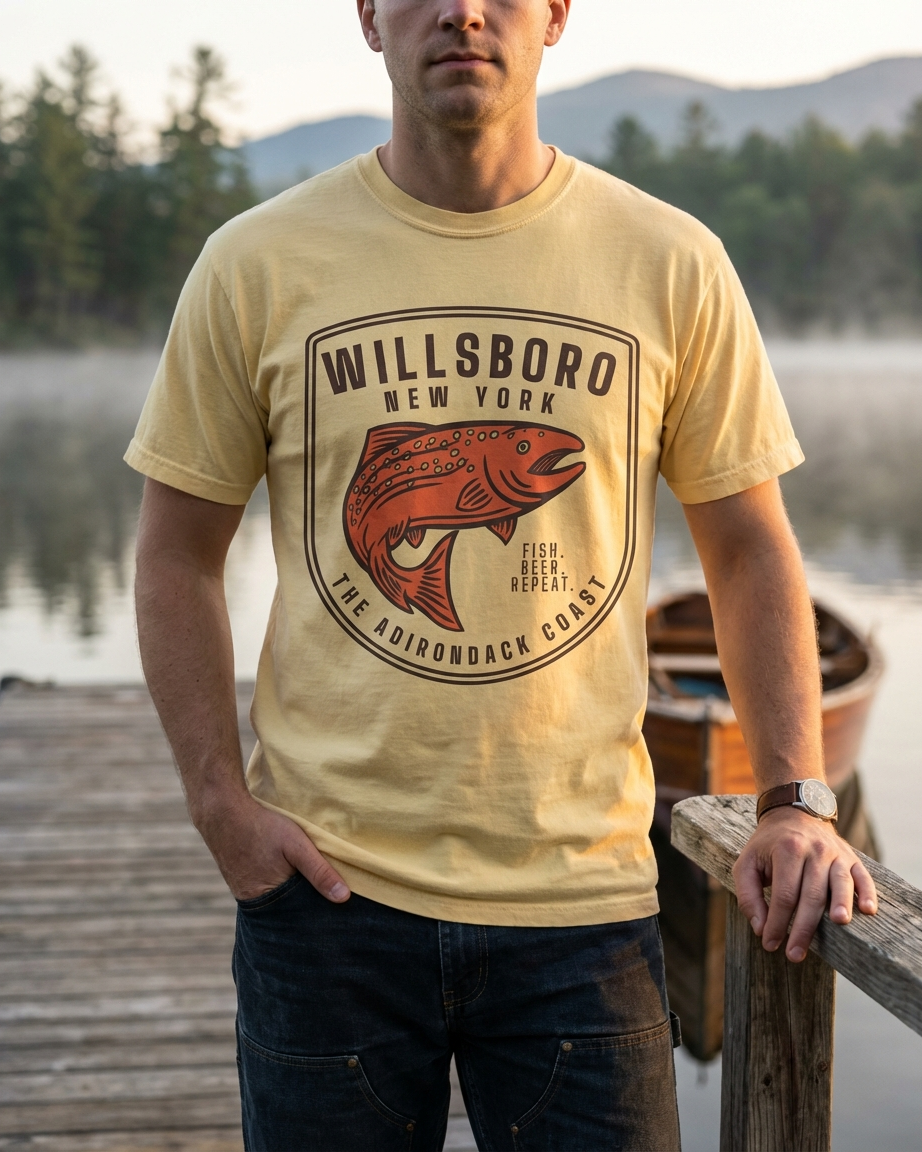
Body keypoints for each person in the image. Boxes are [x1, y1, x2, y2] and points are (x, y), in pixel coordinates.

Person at [127, 2, 878, 1148]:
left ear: (557, 14)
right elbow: (177, 551)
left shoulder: (669, 260)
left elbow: (746, 546)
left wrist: (792, 799)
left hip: (583, 906)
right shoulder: (255, 263)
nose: (464, 11)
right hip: (325, 904)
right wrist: (218, 803)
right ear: (370, 16)